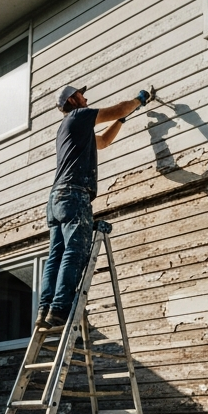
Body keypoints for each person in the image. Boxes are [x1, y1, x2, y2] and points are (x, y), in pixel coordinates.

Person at [37, 85, 152, 329]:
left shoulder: (69, 128)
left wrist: (121, 120)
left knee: (55, 255)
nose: (86, 97)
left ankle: (45, 310)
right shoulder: (79, 115)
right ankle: (60, 309)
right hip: (74, 194)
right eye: (81, 94)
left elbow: (103, 142)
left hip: (56, 198)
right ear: (73, 99)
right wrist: (139, 100)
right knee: (74, 252)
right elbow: (118, 108)